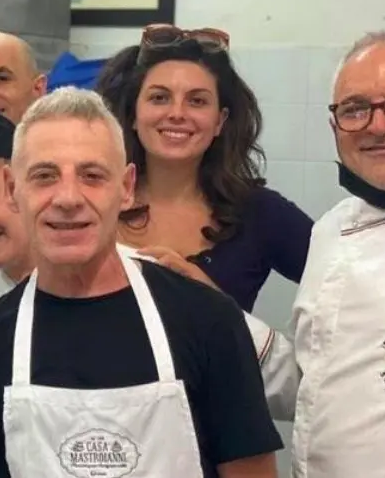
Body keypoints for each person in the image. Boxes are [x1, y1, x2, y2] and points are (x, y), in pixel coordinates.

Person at [0, 110, 300, 477]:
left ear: (126, 187)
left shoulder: (204, 316)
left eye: (92, 176)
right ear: (16, 189)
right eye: (45, 176)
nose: (68, 198)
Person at [291, 31, 385, 477]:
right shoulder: (329, 230)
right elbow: (318, 383)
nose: (378, 126)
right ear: (335, 128)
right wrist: (211, 311)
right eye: (355, 109)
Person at [96, 24, 313, 312]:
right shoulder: (94, 201)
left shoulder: (259, 212)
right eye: (159, 98)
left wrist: (209, 299)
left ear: (220, 121)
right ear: (133, 114)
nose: (177, 113)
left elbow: (351, 289)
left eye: (197, 101)